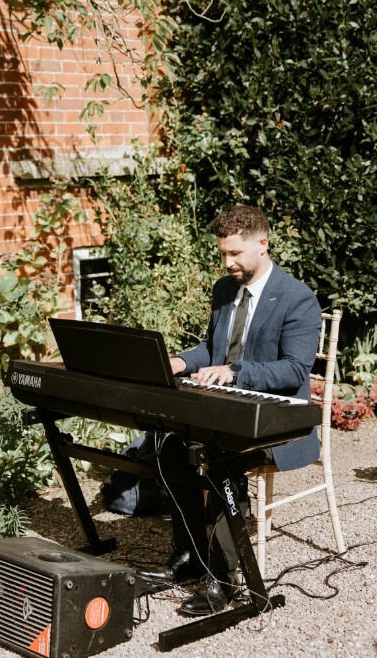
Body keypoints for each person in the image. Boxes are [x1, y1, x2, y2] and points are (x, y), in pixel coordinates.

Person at [137, 204, 322, 615]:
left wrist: (234, 372)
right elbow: (212, 348)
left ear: (263, 243)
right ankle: (187, 557)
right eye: (222, 253)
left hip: (280, 421)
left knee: (217, 461)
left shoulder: (298, 298)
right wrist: (182, 362)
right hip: (226, 408)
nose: (228, 262)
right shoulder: (225, 290)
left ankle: (223, 579)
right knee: (168, 449)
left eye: (236, 254)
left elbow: (294, 369)